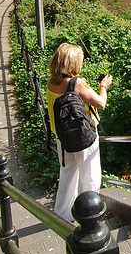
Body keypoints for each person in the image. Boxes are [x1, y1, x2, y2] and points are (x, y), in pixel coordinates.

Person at [46, 43, 112, 222]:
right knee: (89, 175)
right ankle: (89, 214)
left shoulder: (51, 82)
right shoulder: (76, 83)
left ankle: (61, 216)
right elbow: (100, 103)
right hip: (83, 137)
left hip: (63, 136)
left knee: (67, 175)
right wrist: (104, 86)